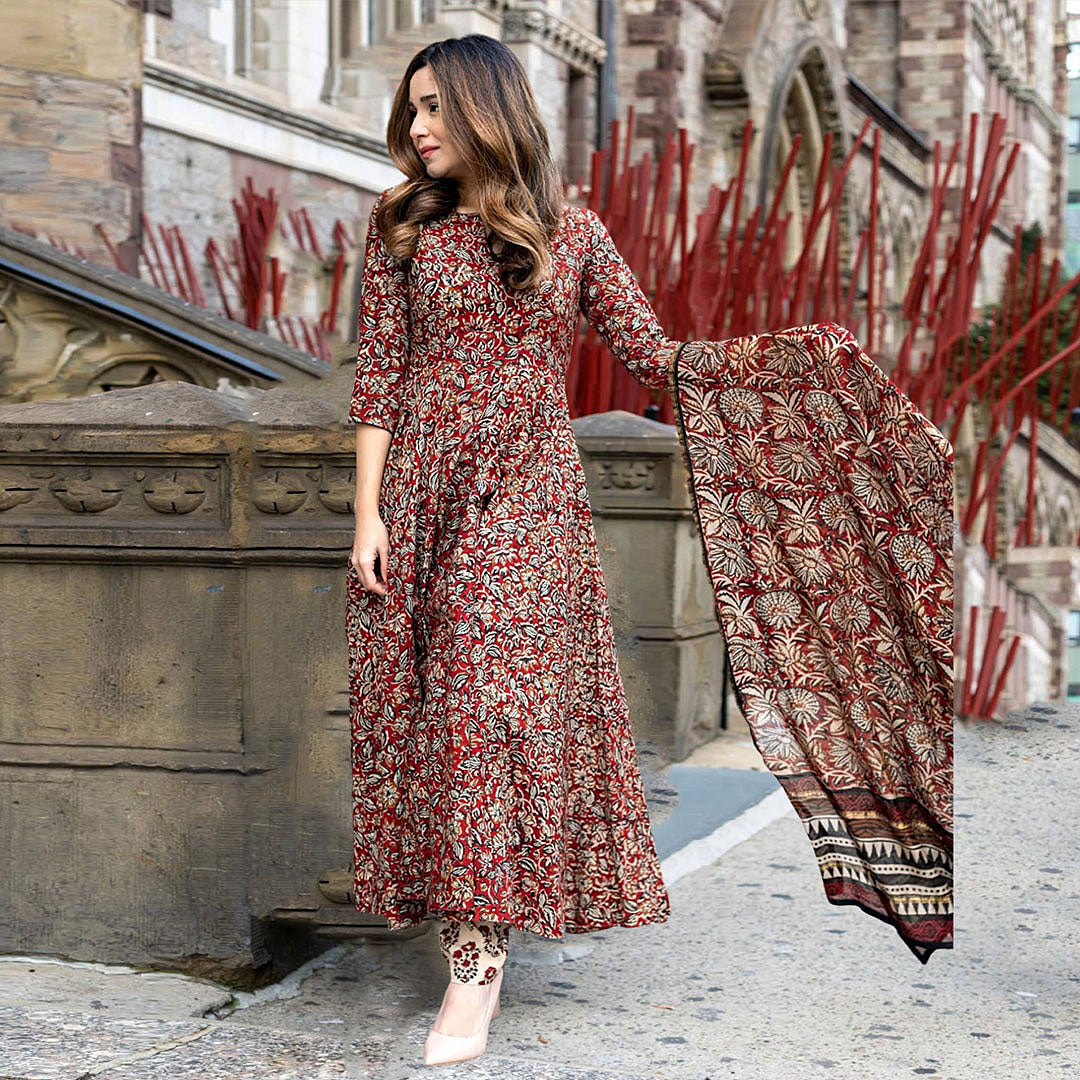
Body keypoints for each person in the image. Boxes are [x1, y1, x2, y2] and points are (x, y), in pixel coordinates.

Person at [345, 34, 676, 1066]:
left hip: (527, 498)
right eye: (413, 111)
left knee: (485, 706)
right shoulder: (398, 224)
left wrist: (780, 393)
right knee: (444, 720)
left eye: (437, 107)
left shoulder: (568, 230)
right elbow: (379, 380)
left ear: (491, 108)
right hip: (423, 495)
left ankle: (475, 978)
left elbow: (652, 354)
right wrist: (369, 514)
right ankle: (477, 933)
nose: (418, 128)